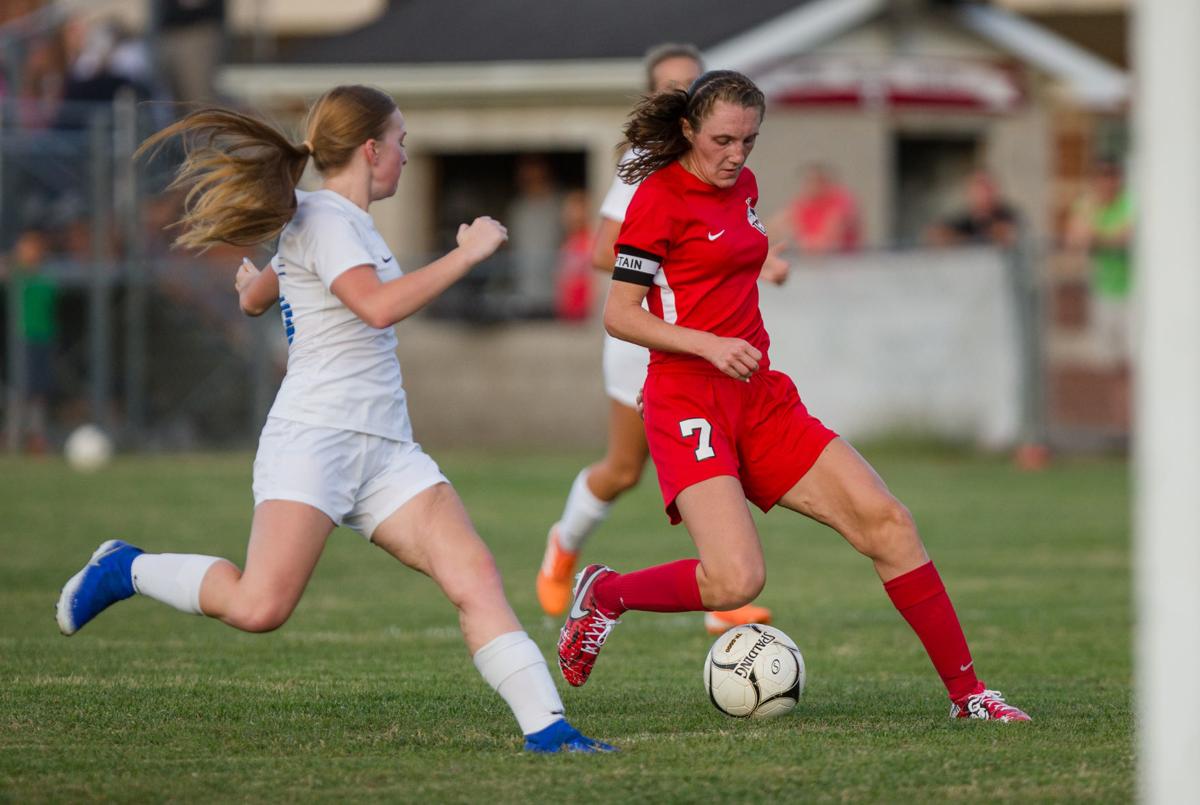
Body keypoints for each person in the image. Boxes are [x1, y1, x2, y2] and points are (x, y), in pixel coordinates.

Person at [54, 85, 612, 754]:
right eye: (401, 142)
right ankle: (126, 568)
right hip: (315, 440)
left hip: (387, 450)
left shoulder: (329, 219)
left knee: (474, 576)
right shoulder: (325, 220)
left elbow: (262, 294)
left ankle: (549, 730)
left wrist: (254, 289)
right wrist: (466, 253)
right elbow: (376, 307)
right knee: (260, 607)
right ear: (371, 149)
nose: (406, 155)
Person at [556, 70, 1030, 722]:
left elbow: (718, 262)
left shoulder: (744, 185)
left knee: (889, 523)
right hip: (688, 399)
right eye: (722, 140)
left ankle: (969, 696)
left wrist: (765, 264)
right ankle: (606, 592)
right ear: (688, 130)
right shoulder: (657, 198)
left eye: (748, 141)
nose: (736, 155)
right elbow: (620, 314)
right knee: (736, 579)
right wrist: (707, 344)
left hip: (759, 397)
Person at [536, 43, 776, 636]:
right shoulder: (646, 165)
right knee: (624, 470)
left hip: (703, 348)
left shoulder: (726, 166)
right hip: (648, 339)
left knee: (720, 458)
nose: (683, 92)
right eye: (671, 85)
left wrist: (755, 262)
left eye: (691, 82)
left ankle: (723, 593)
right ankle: (564, 544)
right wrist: (677, 273)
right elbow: (605, 251)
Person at [1066, 159, 1134, 372]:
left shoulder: (1130, 202)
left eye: (1111, 177)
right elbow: (1075, 239)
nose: (1107, 183)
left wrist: (1097, 237)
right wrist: (1107, 236)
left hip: (1132, 291)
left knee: (1133, 359)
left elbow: (1127, 237)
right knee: (1108, 362)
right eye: (1102, 178)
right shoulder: (1087, 203)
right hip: (1102, 290)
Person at [768, 163, 860, 254]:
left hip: (843, 259)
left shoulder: (841, 202)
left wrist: (798, 236)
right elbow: (773, 228)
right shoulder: (803, 203)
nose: (811, 186)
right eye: (808, 182)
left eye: (816, 181)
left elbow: (824, 242)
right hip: (814, 259)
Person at [926, 169, 1019, 248]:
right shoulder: (965, 220)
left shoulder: (1006, 215)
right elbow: (936, 235)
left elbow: (1006, 235)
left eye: (986, 188)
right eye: (978, 188)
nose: (983, 194)